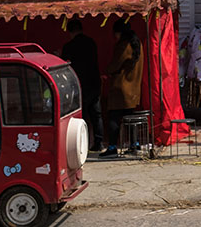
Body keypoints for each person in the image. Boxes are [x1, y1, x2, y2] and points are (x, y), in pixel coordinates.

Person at [100, 17, 144, 158]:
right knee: (130, 118)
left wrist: (107, 70)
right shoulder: (138, 44)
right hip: (133, 88)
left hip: (121, 87)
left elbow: (115, 65)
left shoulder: (123, 45)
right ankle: (134, 144)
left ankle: (112, 147)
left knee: (113, 117)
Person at [59, 17, 103, 151]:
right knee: (96, 114)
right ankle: (99, 142)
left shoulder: (69, 46)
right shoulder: (91, 42)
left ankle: (82, 143)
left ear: (70, 31)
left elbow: (63, 62)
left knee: (81, 115)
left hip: (80, 84)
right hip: (95, 82)